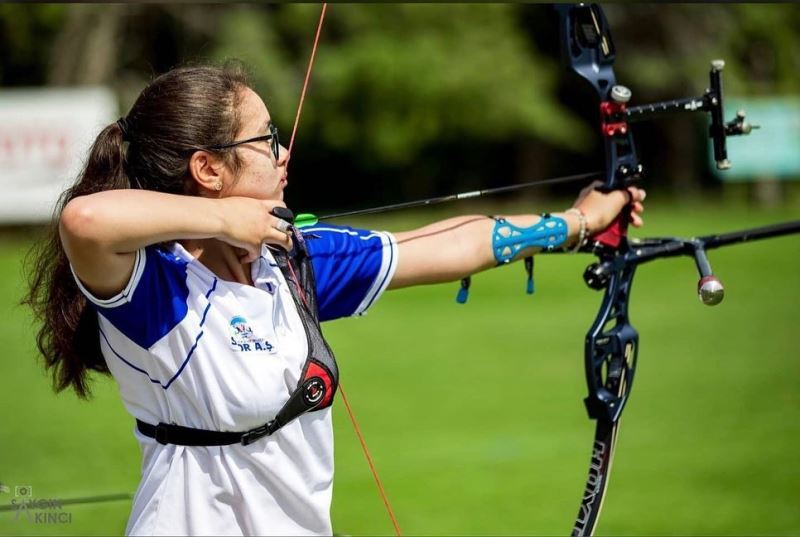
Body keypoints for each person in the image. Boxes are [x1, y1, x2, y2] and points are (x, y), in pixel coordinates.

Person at [24, 64, 645, 536]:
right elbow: (84, 221)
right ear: (209, 171)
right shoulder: (154, 290)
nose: (283, 150)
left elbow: (446, 246)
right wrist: (227, 223)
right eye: (266, 140)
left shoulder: (291, 262)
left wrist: (577, 222)